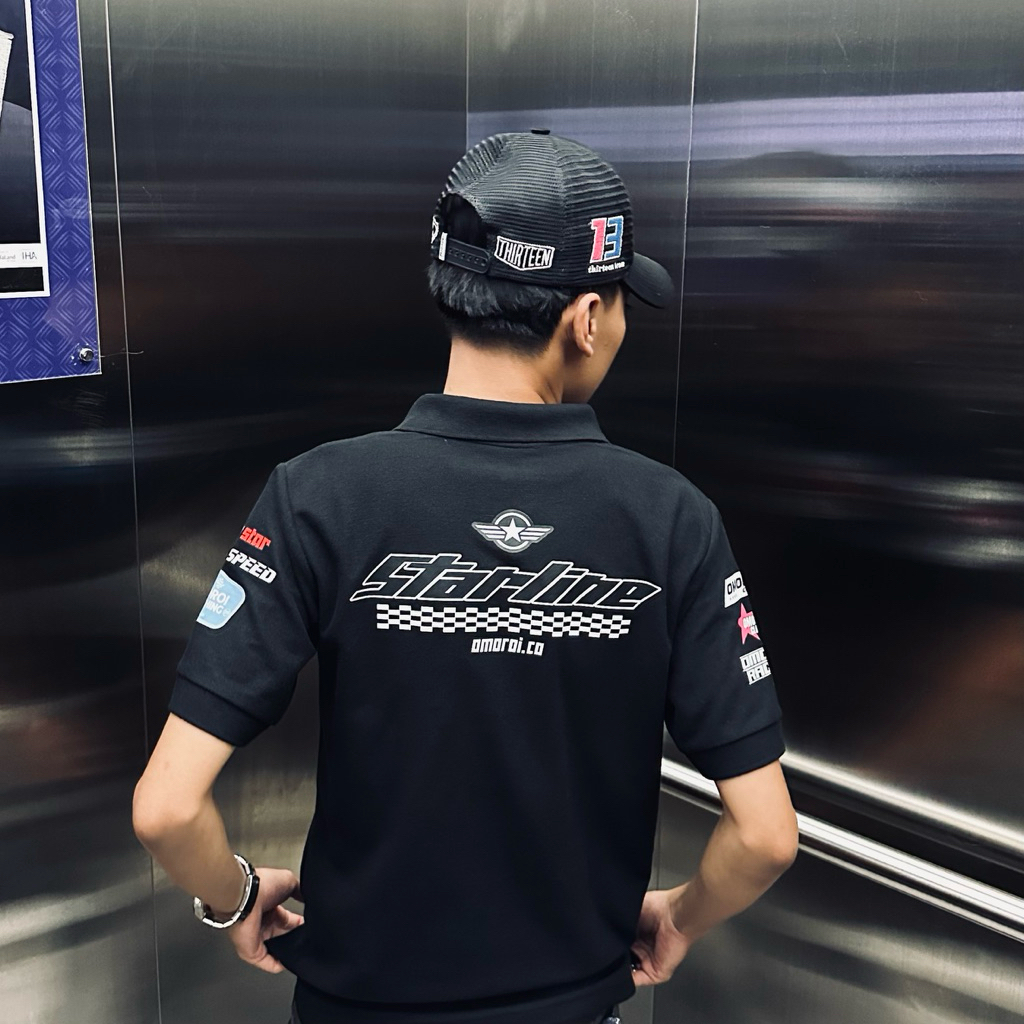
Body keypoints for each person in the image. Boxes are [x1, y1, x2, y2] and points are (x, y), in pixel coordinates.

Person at [132, 130, 799, 1024]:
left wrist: (235, 895)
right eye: (620, 304)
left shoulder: (318, 494)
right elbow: (765, 835)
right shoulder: (671, 518)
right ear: (586, 319)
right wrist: (679, 917)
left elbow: (167, 810)